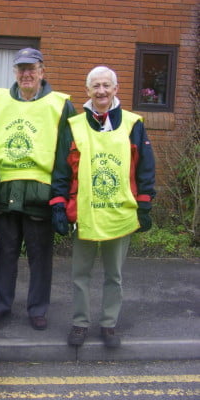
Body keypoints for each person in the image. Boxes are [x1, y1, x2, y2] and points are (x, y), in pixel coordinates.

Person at [49, 66, 156, 347]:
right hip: (84, 213)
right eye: (95, 86)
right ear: (87, 91)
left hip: (120, 214)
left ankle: (109, 324)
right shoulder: (74, 125)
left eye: (106, 85)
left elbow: (145, 166)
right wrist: (58, 205)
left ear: (115, 89)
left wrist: (145, 204)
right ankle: (80, 323)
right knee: (79, 275)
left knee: (114, 276)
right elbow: (61, 169)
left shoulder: (134, 124)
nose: (101, 91)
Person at [0, 48, 76, 330]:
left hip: (41, 193)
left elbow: (66, 155)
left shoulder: (60, 105)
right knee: (5, 253)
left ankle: (38, 309)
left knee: (40, 255)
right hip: (6, 191)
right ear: (14, 72)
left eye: (31, 68)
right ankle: (2, 304)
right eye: (21, 69)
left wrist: (60, 196)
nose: (26, 74)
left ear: (42, 71)